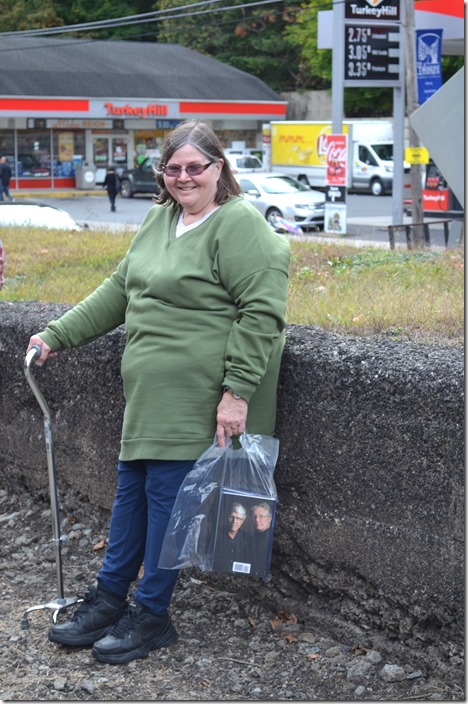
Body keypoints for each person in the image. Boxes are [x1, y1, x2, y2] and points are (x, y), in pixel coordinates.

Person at [25, 120, 290, 665]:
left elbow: (262, 313)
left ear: (220, 169)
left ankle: (151, 614)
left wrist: (236, 392)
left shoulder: (239, 226)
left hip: (199, 394)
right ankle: (107, 599)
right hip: (147, 395)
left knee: (170, 503)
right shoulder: (157, 220)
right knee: (131, 495)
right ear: (162, 174)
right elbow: (117, 291)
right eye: (174, 169)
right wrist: (57, 334)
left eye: (197, 167)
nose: (184, 177)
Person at [212, 502, 249, 574]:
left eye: (238, 518)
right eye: (231, 517)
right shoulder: (216, 534)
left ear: (243, 520)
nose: (234, 521)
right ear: (227, 517)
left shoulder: (246, 538)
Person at [249, 502, 274, 577]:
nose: (257, 520)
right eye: (255, 517)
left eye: (261, 516)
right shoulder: (251, 538)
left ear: (269, 519)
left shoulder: (272, 538)